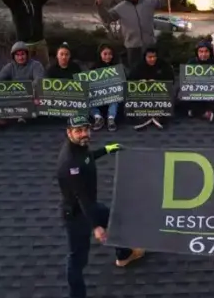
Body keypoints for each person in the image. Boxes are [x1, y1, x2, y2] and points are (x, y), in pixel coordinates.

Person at [57, 115, 144, 298]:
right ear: (69, 132)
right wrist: (96, 226)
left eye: (85, 129)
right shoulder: (70, 162)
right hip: (76, 215)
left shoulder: (80, 149)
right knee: (77, 260)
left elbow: (88, 158)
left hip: (89, 205)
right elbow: (82, 198)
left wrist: (106, 149)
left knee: (115, 220)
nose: (83, 134)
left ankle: (124, 254)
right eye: (78, 131)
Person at [95, 0, 169, 67]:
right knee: (135, 72)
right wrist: (99, 5)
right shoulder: (121, 7)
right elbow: (107, 18)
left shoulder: (149, 2)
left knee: (151, 69)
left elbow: (164, 0)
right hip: (133, 47)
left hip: (149, 45)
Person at [0, 0, 56, 67]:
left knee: (45, 67)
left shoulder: (37, 1)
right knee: (24, 68)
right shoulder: (15, 4)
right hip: (24, 43)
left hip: (40, 42)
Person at [128, 47, 175, 131]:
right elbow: (129, 81)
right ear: (145, 57)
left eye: (154, 57)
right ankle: (146, 116)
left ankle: (157, 116)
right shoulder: (138, 66)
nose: (152, 59)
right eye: (149, 57)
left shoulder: (163, 65)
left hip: (160, 95)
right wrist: (139, 82)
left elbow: (171, 80)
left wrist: (158, 81)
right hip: (143, 95)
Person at [184, 40, 214, 123]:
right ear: (197, 52)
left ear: (210, 52)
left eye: (206, 51)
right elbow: (185, 81)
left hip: (211, 93)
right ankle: (202, 112)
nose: (203, 54)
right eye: (201, 51)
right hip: (195, 92)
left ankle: (197, 112)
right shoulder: (191, 63)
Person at [89, 44, 121, 132]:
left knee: (115, 98)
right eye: (105, 54)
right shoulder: (93, 68)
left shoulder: (118, 68)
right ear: (100, 54)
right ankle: (98, 117)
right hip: (97, 98)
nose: (108, 56)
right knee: (84, 100)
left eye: (110, 54)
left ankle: (111, 119)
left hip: (111, 98)